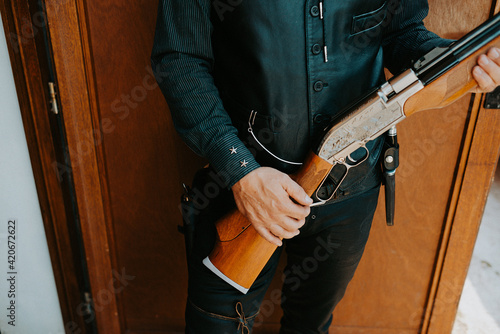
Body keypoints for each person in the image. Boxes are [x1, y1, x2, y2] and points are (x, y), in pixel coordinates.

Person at [151, 1, 500, 333]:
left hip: (352, 188)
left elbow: (402, 31)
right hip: (241, 186)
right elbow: (180, 59)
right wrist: (241, 171)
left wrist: (463, 69)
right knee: (215, 324)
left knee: (310, 324)